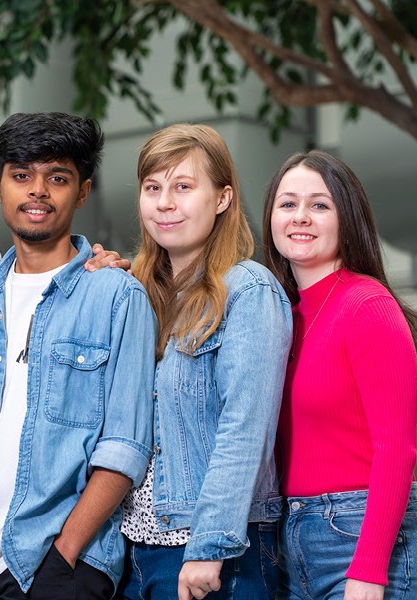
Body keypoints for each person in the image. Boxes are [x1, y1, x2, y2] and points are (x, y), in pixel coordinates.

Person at [0, 112, 155, 600]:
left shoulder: (116, 296)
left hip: (62, 564)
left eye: (57, 178)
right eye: (21, 175)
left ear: (82, 192)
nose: (37, 191)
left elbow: (125, 445)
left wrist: (66, 553)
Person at [114, 124, 289, 600]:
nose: (165, 203)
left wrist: (209, 547)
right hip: (132, 550)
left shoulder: (248, 290)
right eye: (153, 188)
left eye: (183, 187)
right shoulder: (135, 293)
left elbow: (245, 427)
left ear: (223, 198)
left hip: (215, 551)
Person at [262, 150, 417, 600]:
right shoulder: (278, 317)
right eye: (288, 204)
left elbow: (397, 450)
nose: (301, 217)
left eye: (319, 205)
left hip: (361, 533)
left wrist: (369, 569)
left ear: (346, 219)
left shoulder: (367, 306)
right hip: (290, 538)